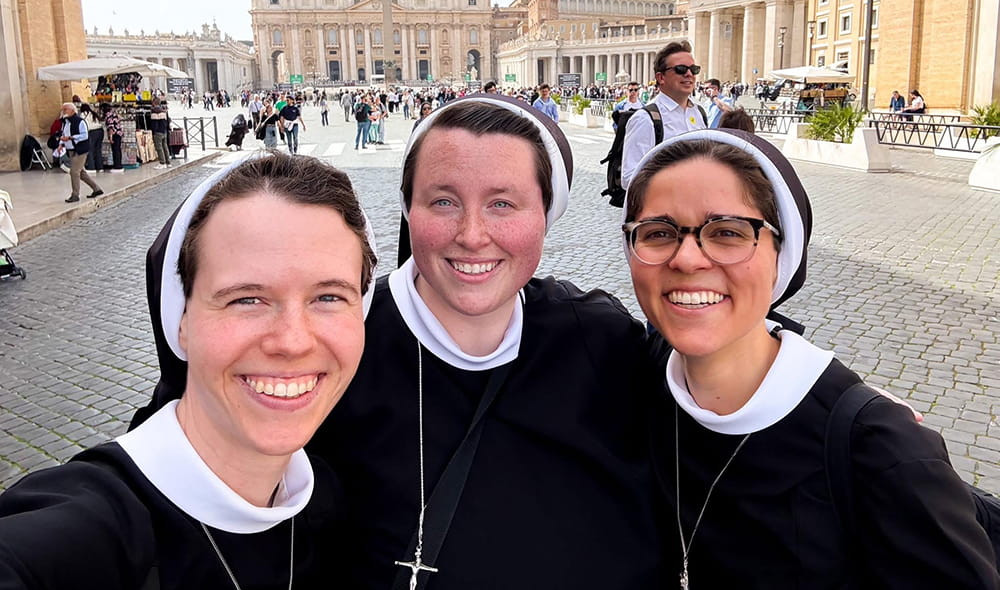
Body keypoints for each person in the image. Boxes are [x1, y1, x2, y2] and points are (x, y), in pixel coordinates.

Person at [133, 95, 667, 589]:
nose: (473, 234)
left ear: (545, 216)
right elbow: (178, 473)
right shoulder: (331, 350)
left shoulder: (600, 337)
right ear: (408, 210)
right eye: (443, 201)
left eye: (504, 204)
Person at [622, 128, 1000, 588]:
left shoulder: (880, 451)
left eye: (727, 232)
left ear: (782, 253)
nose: (687, 258)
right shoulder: (630, 371)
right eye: (658, 233)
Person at [0, 152, 379, 588]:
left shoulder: (326, 498)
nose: (293, 341)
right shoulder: (90, 527)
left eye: (329, 297)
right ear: (181, 322)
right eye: (246, 299)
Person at [621, 41, 707, 189]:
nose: (689, 74)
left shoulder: (699, 112)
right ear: (661, 78)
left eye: (694, 69)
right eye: (681, 69)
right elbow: (629, 178)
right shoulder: (645, 119)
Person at [58, 102, 103, 203]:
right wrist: (61, 144)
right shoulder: (65, 122)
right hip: (71, 150)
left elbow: (84, 135)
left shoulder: (80, 122)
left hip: (80, 150)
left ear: (72, 111)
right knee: (81, 173)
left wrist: (71, 137)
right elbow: (63, 134)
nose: (63, 111)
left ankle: (75, 195)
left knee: (74, 172)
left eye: (65, 109)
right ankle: (97, 189)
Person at [101, 103, 124, 173]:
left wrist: (110, 138)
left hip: (115, 134)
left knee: (115, 150)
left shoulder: (108, 116)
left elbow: (111, 128)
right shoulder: (114, 114)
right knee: (118, 150)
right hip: (119, 133)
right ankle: (119, 165)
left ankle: (117, 166)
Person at [150, 98, 171, 169]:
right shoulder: (164, 111)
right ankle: (168, 162)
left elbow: (154, 123)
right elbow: (168, 121)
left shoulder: (154, 111)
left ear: (154, 103)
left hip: (158, 132)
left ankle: (162, 162)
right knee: (165, 146)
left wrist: (154, 132)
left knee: (159, 148)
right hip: (164, 131)